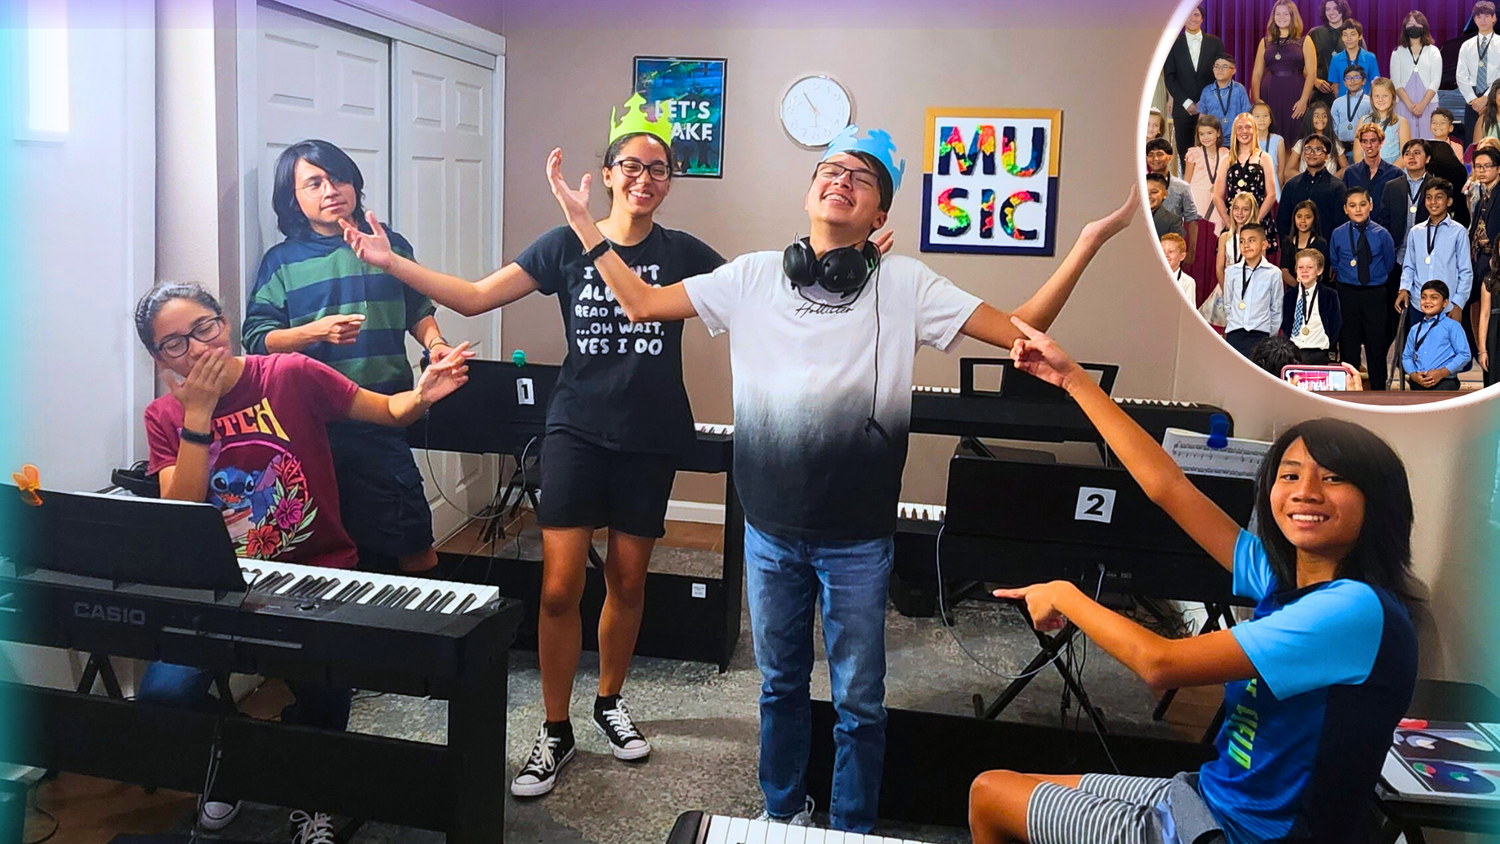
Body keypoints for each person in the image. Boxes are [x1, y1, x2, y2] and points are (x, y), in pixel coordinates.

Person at [542, 124, 1136, 832]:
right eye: (831, 169)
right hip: (768, 530)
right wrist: (584, 223)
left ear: (880, 213)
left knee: (859, 702)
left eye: (862, 177)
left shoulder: (908, 286)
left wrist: (1089, 243)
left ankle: (851, 829)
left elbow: (1022, 329)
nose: (842, 181)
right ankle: (782, 813)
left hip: (857, 538)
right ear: (809, 191)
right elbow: (640, 303)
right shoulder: (752, 277)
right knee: (780, 687)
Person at [340, 96, 774, 797]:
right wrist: (393, 264)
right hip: (575, 429)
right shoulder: (563, 243)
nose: (644, 178)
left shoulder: (683, 253)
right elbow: (478, 296)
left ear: (669, 181)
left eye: (658, 168)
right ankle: (555, 728)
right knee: (558, 589)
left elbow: (762, 294)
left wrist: (845, 265)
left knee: (629, 581)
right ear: (606, 174)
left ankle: (608, 702)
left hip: (653, 434)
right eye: (631, 165)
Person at [969, 321, 1418, 844]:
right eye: (1290, 475)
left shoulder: (1353, 609)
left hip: (1247, 835)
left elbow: (1160, 665)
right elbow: (1169, 486)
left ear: (1378, 501)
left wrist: (1066, 594)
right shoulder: (1286, 575)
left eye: (1334, 478)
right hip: (1209, 798)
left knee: (990, 794)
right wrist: (1073, 380)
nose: (1306, 492)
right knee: (1015, 786)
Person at [133, 283, 471, 840]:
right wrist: (197, 416)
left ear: (225, 321)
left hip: (317, 568)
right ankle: (234, 763)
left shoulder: (286, 374)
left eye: (203, 328)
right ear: (156, 357)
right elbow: (182, 510)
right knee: (164, 697)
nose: (195, 348)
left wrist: (425, 394)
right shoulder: (165, 415)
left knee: (325, 683)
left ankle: (315, 786)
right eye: (173, 344)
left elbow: (385, 410)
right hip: (220, 581)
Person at [243, 139, 451, 575]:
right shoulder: (280, 261)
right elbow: (256, 338)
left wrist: (435, 345)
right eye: (313, 183)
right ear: (293, 199)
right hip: (309, 426)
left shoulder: (388, 245)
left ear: (354, 182)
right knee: (328, 548)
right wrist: (313, 332)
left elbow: (418, 309)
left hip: (382, 415)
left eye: (337, 177)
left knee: (412, 543)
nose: (330, 189)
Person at [1330, 187, 1399, 389]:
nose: (1358, 209)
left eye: (1362, 204)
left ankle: (1379, 390)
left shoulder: (1382, 234)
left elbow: (1389, 263)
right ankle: (1350, 390)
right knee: (1349, 345)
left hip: (1375, 294)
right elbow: (1335, 261)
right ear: (1345, 209)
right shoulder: (1338, 234)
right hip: (1348, 293)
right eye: (1352, 205)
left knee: (1376, 346)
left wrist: (1373, 279)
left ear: (1370, 205)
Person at [1252, 0, 1316, 164]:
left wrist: (1303, 100)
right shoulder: (1265, 41)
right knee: (1272, 134)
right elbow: (1257, 73)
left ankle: (1290, 178)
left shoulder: (1304, 40)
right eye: (1277, 13)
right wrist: (1257, 101)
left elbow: (1311, 73)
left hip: (1294, 94)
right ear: (1273, 17)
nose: (1281, 17)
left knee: (1293, 136)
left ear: (1292, 16)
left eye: (1285, 14)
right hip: (1270, 94)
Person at [1164, 4, 1227, 169]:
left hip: (1210, 109)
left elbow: (1221, 72)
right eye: (1188, 15)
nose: (1192, 18)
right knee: (1187, 157)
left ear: (1202, 18)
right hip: (1182, 110)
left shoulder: (1215, 42)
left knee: (1212, 157)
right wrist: (1186, 103)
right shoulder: (1172, 43)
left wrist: (1205, 103)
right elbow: (1169, 77)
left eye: (1196, 15)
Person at [1215, 113, 1279, 256]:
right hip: (1234, 220)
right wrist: (1229, 223)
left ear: (1254, 130)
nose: (1244, 131)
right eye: (1240, 128)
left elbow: (1271, 194)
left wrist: (1255, 221)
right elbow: (1217, 197)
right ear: (1234, 132)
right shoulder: (1227, 159)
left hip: (1258, 220)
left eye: (1248, 127)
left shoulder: (1264, 158)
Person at [1223, 222, 1284, 357]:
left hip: (1261, 333)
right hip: (1235, 333)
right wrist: (1233, 322)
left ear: (1264, 244)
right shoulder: (1231, 272)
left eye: (1251, 241)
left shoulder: (1273, 273)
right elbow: (1228, 303)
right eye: (1242, 241)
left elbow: (1276, 308)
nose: (1246, 245)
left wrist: (1270, 335)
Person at [1277, 133, 1347, 244]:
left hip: (1326, 252)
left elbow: (1341, 224)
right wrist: (1288, 247)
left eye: (1318, 149)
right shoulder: (1291, 185)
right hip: (1295, 252)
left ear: (1327, 156)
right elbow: (1282, 222)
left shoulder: (1337, 187)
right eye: (1308, 149)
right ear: (1303, 154)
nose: (1312, 153)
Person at [1402, 280, 1471, 390]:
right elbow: (1406, 357)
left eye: (1434, 298)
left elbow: (1464, 354)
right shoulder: (1415, 329)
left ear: (1445, 303)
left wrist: (1442, 373)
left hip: (1445, 382)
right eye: (1424, 297)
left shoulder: (1452, 326)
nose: (1427, 301)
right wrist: (1414, 375)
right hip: (1419, 382)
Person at [1381, 139, 1434, 277]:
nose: (1411, 157)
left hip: (1428, 254)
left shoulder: (1436, 186)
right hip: (1398, 255)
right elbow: (1384, 220)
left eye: (1417, 153)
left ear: (1427, 158)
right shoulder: (1391, 186)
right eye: (1407, 154)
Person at [1284, 248, 1343, 363]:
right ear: (1295, 270)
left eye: (1310, 267)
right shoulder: (1289, 296)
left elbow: (1336, 323)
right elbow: (1285, 321)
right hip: (1294, 351)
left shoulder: (1329, 295)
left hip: (1319, 352)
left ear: (1319, 270)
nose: (1304, 271)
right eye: (1300, 267)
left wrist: (1329, 344)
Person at [1392, 11, 1443, 143]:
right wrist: (1410, 105)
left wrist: (1422, 104)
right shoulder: (1398, 52)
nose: (1414, 27)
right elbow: (1396, 81)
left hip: (1428, 104)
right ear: (1404, 27)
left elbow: (1436, 80)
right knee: (1405, 142)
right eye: (1410, 24)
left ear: (1424, 27)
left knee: (1428, 143)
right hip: (1404, 104)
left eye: (1417, 24)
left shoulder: (1433, 51)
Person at [1146, 138, 1201, 254]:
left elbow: (1192, 218)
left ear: (1170, 157)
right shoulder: (1138, 185)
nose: (1155, 159)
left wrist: (1192, 250)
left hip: (1172, 246)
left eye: (1159, 154)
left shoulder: (1182, 187)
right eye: (1150, 155)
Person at [1458, 1, 1500, 147]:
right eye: (1479, 16)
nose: (1482, 20)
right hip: (1472, 98)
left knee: (1493, 138)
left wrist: (1487, 97)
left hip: (1495, 94)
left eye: (1486, 16)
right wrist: (1473, 100)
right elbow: (1461, 75)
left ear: (1494, 18)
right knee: (1471, 140)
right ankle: (1473, 169)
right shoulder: (1466, 45)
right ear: (1474, 19)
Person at [1342, 122, 1403, 220]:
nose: (1369, 145)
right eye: (1365, 141)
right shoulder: (1350, 173)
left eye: (1373, 141)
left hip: (1385, 231)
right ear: (1361, 144)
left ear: (1381, 142)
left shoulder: (1395, 174)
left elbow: (1399, 210)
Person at [1183, 115, 1228, 232]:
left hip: (1217, 199)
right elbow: (1186, 182)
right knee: (1199, 235)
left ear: (1218, 133)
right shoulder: (1194, 154)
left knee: (1216, 233)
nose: (1205, 137)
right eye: (1201, 134)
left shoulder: (1225, 154)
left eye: (1209, 133)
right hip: (1197, 198)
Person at [1198, 54, 1254, 146]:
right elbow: (1202, 117)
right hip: (1213, 141)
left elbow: (1246, 115)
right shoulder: (1207, 91)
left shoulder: (1239, 89)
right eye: (1217, 66)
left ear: (1233, 71)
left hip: (1236, 140)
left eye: (1225, 66)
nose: (1220, 70)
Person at [1308, 0, 1354, 108]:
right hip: (1319, 96)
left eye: (1335, 8)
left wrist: (1343, 83)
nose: (1331, 12)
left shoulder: (1353, 33)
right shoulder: (1314, 34)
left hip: (1347, 95)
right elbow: (1303, 64)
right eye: (1327, 9)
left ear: (1342, 10)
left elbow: (1362, 65)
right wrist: (1315, 80)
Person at [1286, 101, 1348, 181]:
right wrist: (1307, 178)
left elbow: (1346, 168)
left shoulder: (1335, 143)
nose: (1320, 119)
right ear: (1309, 118)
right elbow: (1288, 171)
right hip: (1306, 188)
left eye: (1324, 116)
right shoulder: (1301, 143)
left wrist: (1330, 179)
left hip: (1328, 188)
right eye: (1316, 116)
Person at [1280, 199, 1330, 286]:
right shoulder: (1287, 242)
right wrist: (1299, 288)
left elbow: (1320, 270)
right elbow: (1284, 271)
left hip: (1315, 289)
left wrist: (1308, 288)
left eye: (1307, 217)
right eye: (1299, 216)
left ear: (1314, 219)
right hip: (1294, 290)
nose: (1302, 220)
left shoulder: (1320, 243)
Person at [1217, 191, 1260, 286]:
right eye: (1236, 208)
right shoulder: (1224, 237)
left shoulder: (1258, 238)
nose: (1239, 213)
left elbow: (1260, 269)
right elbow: (1219, 268)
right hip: (1226, 287)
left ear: (1252, 211)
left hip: (1249, 287)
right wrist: (1227, 291)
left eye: (1245, 209)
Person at [1327, 18, 1378, 100]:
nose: (1349, 38)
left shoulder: (1370, 58)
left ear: (1360, 36)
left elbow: (1374, 84)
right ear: (1342, 37)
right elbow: (1335, 87)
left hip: (1366, 106)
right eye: (1345, 35)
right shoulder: (1336, 59)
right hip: (1344, 106)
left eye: (1353, 34)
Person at [1330, 65, 1374, 155]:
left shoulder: (1370, 102)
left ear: (1364, 81)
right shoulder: (1337, 103)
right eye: (1348, 78)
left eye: (1356, 77)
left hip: (1363, 147)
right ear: (1344, 82)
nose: (1352, 81)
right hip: (1341, 147)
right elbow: (1333, 127)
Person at [1250, 103, 1287, 201]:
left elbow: (1280, 171)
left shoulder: (1278, 141)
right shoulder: (1248, 141)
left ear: (1270, 119)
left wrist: (1278, 188)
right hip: (1251, 183)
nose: (1262, 119)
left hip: (1272, 183)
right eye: (1257, 116)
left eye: (1265, 115)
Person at [1161, 232, 1196, 306]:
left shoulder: (1188, 282)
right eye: (1162, 251)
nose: (1165, 255)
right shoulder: (1150, 279)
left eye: (1170, 252)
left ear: (1182, 256)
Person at [1149, 173, 1186, 240]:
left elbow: (1176, 248)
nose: (1148, 196)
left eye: (1154, 192)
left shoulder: (1173, 221)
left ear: (1165, 194)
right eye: (1143, 191)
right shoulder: (1131, 216)